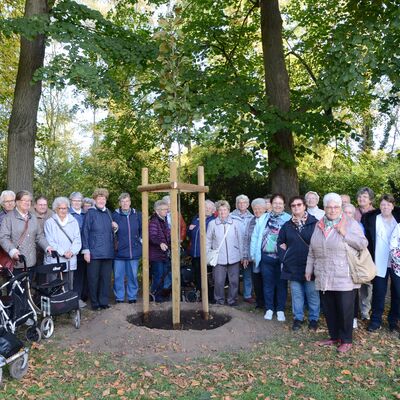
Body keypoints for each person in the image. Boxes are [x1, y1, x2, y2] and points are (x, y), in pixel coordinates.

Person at [306, 193, 368, 353]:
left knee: (345, 309)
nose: (332, 210)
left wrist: (344, 233)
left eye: (336, 207)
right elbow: (312, 249)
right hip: (324, 274)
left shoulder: (350, 223)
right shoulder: (319, 224)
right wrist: (309, 268)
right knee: (329, 308)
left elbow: (362, 243)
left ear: (340, 208)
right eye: (329, 207)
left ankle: (346, 339)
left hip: (344, 275)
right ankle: (334, 336)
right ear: (324, 208)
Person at [278, 196, 319, 331]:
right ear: (291, 208)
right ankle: (298, 318)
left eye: (299, 205)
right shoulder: (287, 225)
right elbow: (280, 244)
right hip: (293, 266)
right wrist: (285, 258)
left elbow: (319, 244)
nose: (296, 207)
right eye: (293, 205)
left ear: (304, 206)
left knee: (312, 293)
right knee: (297, 294)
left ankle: (313, 319)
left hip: (310, 265)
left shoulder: (315, 223)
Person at [362, 194, 400, 332]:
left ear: (393, 206)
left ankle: (393, 321)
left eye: (389, 204)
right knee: (379, 292)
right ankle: (375, 320)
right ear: (379, 206)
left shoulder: (398, 219)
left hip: (397, 262)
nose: (386, 207)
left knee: (397, 292)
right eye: (383, 204)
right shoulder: (372, 219)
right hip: (379, 259)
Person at [250, 194, 291, 321]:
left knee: (281, 284)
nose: (277, 205)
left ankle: (280, 310)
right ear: (271, 204)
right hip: (266, 257)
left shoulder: (289, 219)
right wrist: (253, 254)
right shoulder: (263, 218)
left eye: (280, 203)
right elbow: (255, 236)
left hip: (282, 259)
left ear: (284, 205)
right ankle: (269, 308)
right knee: (267, 284)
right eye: (275, 203)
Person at [81, 188, 117, 311]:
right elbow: (85, 232)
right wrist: (86, 250)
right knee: (93, 279)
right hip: (94, 252)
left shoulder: (108, 212)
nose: (101, 200)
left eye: (103, 198)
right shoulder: (90, 213)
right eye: (99, 198)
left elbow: (111, 231)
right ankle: (95, 303)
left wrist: (115, 228)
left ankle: (104, 301)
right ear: (95, 200)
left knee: (106, 279)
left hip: (108, 252)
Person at [0, 190, 53, 269]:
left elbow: (39, 236)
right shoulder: (8, 218)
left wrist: (48, 247)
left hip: (32, 262)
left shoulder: (33, 218)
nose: (27, 202)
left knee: (31, 281)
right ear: (17, 202)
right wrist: (13, 252)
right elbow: (3, 238)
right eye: (24, 200)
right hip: (16, 263)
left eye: (29, 200)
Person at [206, 200, 243, 306]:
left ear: (228, 210)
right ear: (217, 211)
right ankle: (219, 300)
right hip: (218, 258)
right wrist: (207, 255)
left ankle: (232, 300)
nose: (223, 212)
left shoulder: (235, 223)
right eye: (220, 210)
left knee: (234, 281)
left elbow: (240, 240)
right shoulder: (212, 224)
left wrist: (242, 256)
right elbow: (208, 241)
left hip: (234, 257)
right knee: (218, 281)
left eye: (225, 210)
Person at [44, 197, 82, 289]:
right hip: (55, 259)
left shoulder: (73, 221)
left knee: (68, 286)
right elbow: (49, 240)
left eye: (65, 208)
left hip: (70, 259)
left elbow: (77, 239)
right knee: (53, 286)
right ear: (56, 209)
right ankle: (54, 303)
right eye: (60, 208)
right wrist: (63, 252)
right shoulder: (49, 222)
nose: (63, 210)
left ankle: (67, 303)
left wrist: (71, 252)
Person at [112, 193, 142, 304]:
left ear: (130, 202)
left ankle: (132, 296)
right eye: (123, 201)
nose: (125, 203)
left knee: (133, 276)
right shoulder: (114, 215)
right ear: (120, 203)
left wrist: (140, 242)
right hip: (119, 252)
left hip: (133, 251)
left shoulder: (137, 214)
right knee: (118, 276)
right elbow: (109, 233)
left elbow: (143, 231)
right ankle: (119, 297)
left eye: (127, 201)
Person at [354, 187, 375, 321]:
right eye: (360, 196)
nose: (362, 199)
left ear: (370, 199)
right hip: (353, 252)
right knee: (354, 282)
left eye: (365, 197)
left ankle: (365, 310)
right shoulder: (353, 212)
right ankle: (353, 310)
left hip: (370, 252)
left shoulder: (375, 213)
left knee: (367, 283)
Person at [187, 199, 216, 292]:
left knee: (207, 275)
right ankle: (200, 294)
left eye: (209, 208)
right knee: (197, 274)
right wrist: (189, 229)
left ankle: (210, 296)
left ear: (213, 210)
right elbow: (189, 235)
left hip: (206, 253)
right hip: (195, 253)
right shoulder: (196, 218)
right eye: (205, 207)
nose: (207, 209)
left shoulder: (213, 221)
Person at [343, 202, 364, 329]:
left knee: (353, 292)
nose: (347, 214)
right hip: (339, 265)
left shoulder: (357, 225)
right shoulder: (335, 224)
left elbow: (361, 244)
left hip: (352, 263)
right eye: (345, 212)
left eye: (350, 212)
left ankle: (354, 317)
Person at [243, 198, 266, 309]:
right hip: (254, 257)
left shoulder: (268, 219)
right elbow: (246, 239)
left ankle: (269, 302)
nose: (257, 211)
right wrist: (246, 256)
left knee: (266, 279)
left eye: (259, 209)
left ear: (264, 209)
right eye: (255, 209)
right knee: (256, 279)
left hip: (266, 256)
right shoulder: (251, 221)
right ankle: (260, 302)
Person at [231, 194, 254, 303]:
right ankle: (233, 296)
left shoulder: (253, 217)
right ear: (236, 204)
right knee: (233, 275)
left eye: (244, 202)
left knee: (247, 274)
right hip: (234, 250)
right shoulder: (230, 216)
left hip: (247, 250)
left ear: (248, 204)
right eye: (239, 202)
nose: (242, 204)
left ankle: (247, 295)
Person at [149, 199, 171, 302]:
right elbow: (152, 236)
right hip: (156, 255)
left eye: (167, 209)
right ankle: (154, 295)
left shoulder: (164, 221)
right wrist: (160, 243)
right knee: (158, 275)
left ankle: (158, 295)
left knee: (163, 275)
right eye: (164, 209)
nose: (166, 211)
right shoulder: (154, 221)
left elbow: (166, 236)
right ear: (157, 211)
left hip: (164, 254)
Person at [69, 192, 88, 307]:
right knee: (71, 276)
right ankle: (70, 299)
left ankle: (79, 298)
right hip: (70, 250)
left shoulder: (86, 214)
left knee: (81, 275)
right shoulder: (67, 214)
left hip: (83, 250)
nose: (77, 203)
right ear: (71, 201)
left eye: (79, 201)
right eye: (75, 200)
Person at [32, 195, 53, 265]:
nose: (43, 207)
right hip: (33, 248)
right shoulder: (29, 214)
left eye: (45, 205)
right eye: (40, 205)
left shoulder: (52, 215)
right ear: (35, 205)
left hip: (48, 247)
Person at [389, 220, 400, 337]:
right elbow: (393, 246)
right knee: (398, 295)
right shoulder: (399, 227)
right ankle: (394, 322)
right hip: (398, 268)